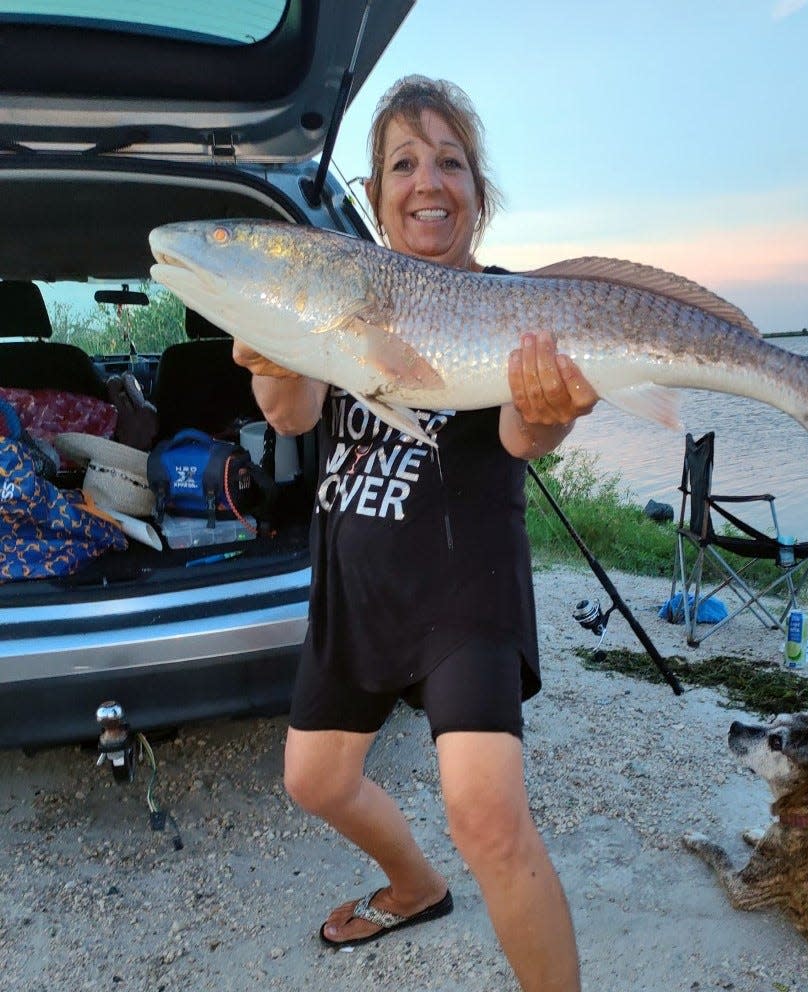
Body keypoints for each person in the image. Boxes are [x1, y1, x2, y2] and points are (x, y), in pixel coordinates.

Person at [234, 75, 599, 992]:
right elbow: (288, 413)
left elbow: (523, 437)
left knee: (484, 813)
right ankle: (414, 884)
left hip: (463, 583)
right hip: (355, 579)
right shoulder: (343, 286)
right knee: (314, 781)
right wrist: (272, 349)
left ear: (479, 190)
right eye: (403, 162)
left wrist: (551, 414)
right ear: (376, 191)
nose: (426, 179)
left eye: (449, 161)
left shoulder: (517, 306)